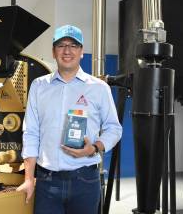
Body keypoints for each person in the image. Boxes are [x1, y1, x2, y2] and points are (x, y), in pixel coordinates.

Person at [17, 24, 122, 214]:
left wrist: (94, 148)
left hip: (85, 182)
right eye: (61, 45)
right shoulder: (39, 86)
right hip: (47, 183)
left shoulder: (99, 88)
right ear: (53, 51)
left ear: (81, 51)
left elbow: (114, 128)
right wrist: (28, 179)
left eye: (73, 45)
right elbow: (31, 133)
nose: (67, 50)